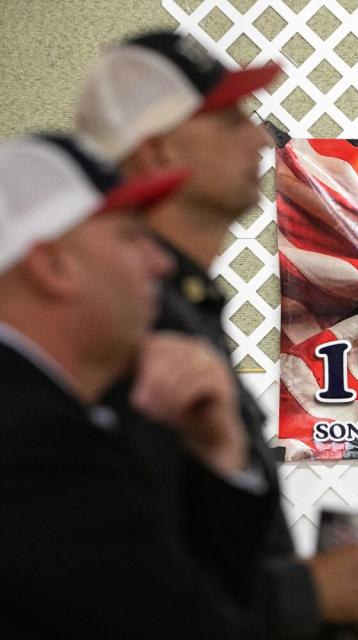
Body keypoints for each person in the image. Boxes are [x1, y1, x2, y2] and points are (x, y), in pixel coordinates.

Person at [76, 31, 358, 639]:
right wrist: (306, 594)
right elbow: (111, 584)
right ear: (155, 154)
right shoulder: (123, 320)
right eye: (226, 121)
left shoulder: (176, 304)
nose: (257, 137)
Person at [0, 134, 274, 638]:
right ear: (52, 265)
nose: (161, 262)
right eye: (131, 235)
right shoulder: (34, 445)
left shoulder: (50, 417)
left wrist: (218, 453)